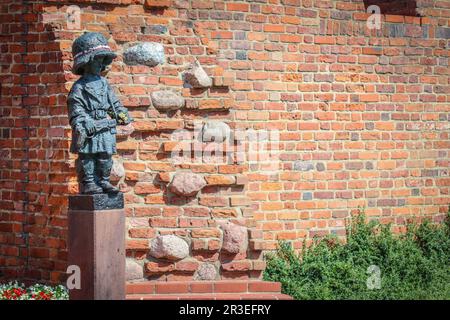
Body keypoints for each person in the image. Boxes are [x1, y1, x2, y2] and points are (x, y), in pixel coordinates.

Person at [68, 32, 133, 194]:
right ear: (87, 61)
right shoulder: (79, 87)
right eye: (97, 59)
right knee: (87, 156)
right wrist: (85, 122)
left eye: (102, 60)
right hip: (89, 127)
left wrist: (121, 114)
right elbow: (76, 109)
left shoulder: (104, 84)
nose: (100, 63)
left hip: (104, 127)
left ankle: (103, 181)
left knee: (105, 156)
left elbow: (113, 104)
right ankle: (89, 182)